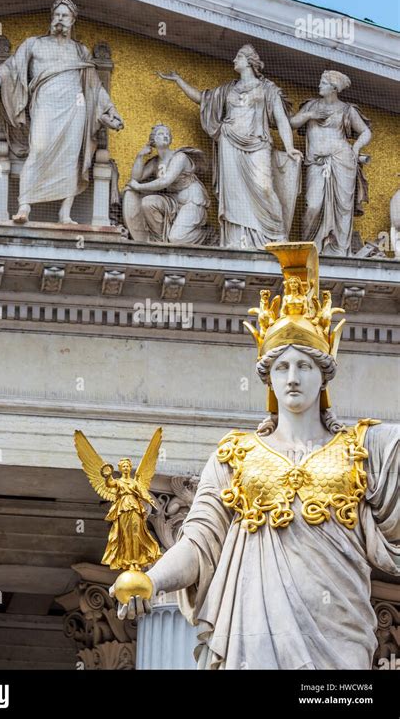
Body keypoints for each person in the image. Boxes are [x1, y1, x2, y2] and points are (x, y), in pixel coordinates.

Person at [112, 242, 399, 670]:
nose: (293, 377)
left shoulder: (362, 450)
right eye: (282, 367)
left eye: (305, 365)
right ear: (267, 377)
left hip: (338, 633)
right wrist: (151, 582)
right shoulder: (236, 457)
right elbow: (197, 545)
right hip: (256, 636)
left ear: (325, 373)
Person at [0, 0, 123, 225]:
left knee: (72, 158)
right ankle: (24, 206)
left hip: (75, 107)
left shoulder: (80, 50)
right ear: (51, 18)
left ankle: (65, 214)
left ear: (73, 20)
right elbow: (13, 67)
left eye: (64, 16)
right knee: (37, 148)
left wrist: (110, 111)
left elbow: (94, 85)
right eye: (56, 15)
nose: (59, 19)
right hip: (45, 105)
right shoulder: (34, 44)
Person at [158, 45, 302, 249]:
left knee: (265, 187)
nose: (234, 60)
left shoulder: (268, 89)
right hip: (229, 142)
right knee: (234, 193)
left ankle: (278, 235)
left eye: (238, 56)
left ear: (249, 61)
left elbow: (280, 118)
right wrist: (179, 81)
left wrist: (289, 147)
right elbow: (203, 99)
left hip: (258, 143)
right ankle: (237, 240)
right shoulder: (227, 90)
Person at [290, 71, 372, 256]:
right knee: (313, 204)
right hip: (317, 163)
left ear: (334, 88)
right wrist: (310, 115)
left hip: (342, 162)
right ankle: (310, 248)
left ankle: (339, 250)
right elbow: (292, 123)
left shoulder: (347, 110)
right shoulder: (312, 105)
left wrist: (356, 148)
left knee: (342, 208)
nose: (320, 85)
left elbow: (366, 132)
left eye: (323, 83)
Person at [123, 123, 209, 244]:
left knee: (176, 238)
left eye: (167, 134)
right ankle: (159, 240)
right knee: (147, 203)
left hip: (191, 200)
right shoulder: (155, 162)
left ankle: (208, 235)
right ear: (153, 140)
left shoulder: (180, 157)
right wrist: (140, 156)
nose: (165, 136)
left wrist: (140, 187)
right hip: (172, 200)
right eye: (161, 134)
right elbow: (136, 177)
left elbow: (165, 181)